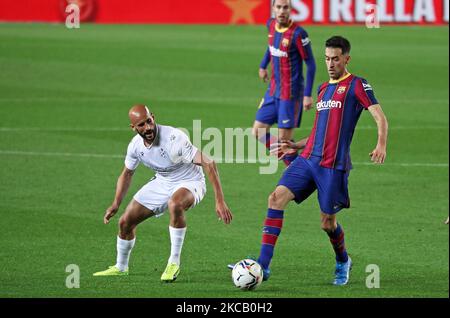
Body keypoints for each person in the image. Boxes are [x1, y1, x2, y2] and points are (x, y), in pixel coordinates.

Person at [232, 36, 388, 286]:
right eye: (327, 58)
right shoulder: (323, 89)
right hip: (308, 160)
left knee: (327, 223)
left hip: (333, 166)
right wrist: (296, 144)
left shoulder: (357, 85)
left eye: (335, 58)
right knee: (275, 198)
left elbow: (380, 117)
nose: (330, 63)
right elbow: (319, 131)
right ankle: (263, 265)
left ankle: (342, 260)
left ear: (346, 58)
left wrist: (381, 143)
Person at [93, 104, 233, 282]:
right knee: (125, 222)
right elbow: (127, 173)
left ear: (153, 116)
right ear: (133, 128)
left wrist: (219, 201)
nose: (148, 128)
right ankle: (121, 267)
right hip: (163, 181)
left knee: (175, 204)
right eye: (141, 125)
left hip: (190, 181)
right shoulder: (135, 146)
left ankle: (173, 262)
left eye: (149, 121)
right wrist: (116, 203)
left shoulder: (174, 138)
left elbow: (209, 162)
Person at [253, 0, 316, 166]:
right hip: (273, 91)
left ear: (290, 9)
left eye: (285, 7)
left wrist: (308, 95)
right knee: (258, 131)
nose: (282, 11)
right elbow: (271, 46)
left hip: (291, 95)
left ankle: (295, 174)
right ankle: (299, 167)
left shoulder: (298, 34)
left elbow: (311, 64)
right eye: (279, 7)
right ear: (273, 8)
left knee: (284, 141)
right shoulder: (271, 25)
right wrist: (262, 65)